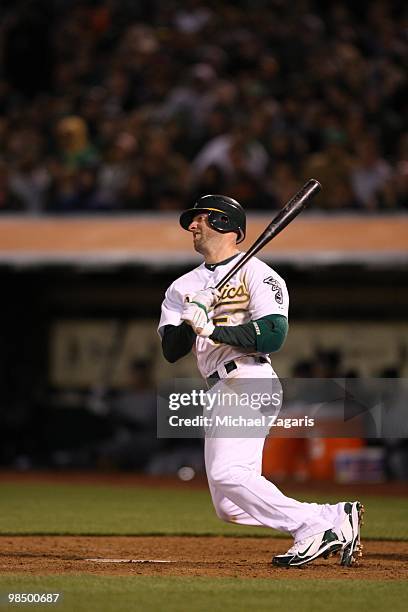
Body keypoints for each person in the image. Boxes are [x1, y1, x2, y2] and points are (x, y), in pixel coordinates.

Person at [158, 194, 364, 568]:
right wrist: (191, 320)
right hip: (218, 387)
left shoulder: (259, 273)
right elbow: (171, 350)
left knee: (227, 473)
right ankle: (331, 517)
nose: (192, 226)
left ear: (224, 224)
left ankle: (311, 528)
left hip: (248, 378)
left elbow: (273, 335)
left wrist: (215, 329)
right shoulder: (181, 286)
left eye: (200, 219)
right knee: (229, 506)